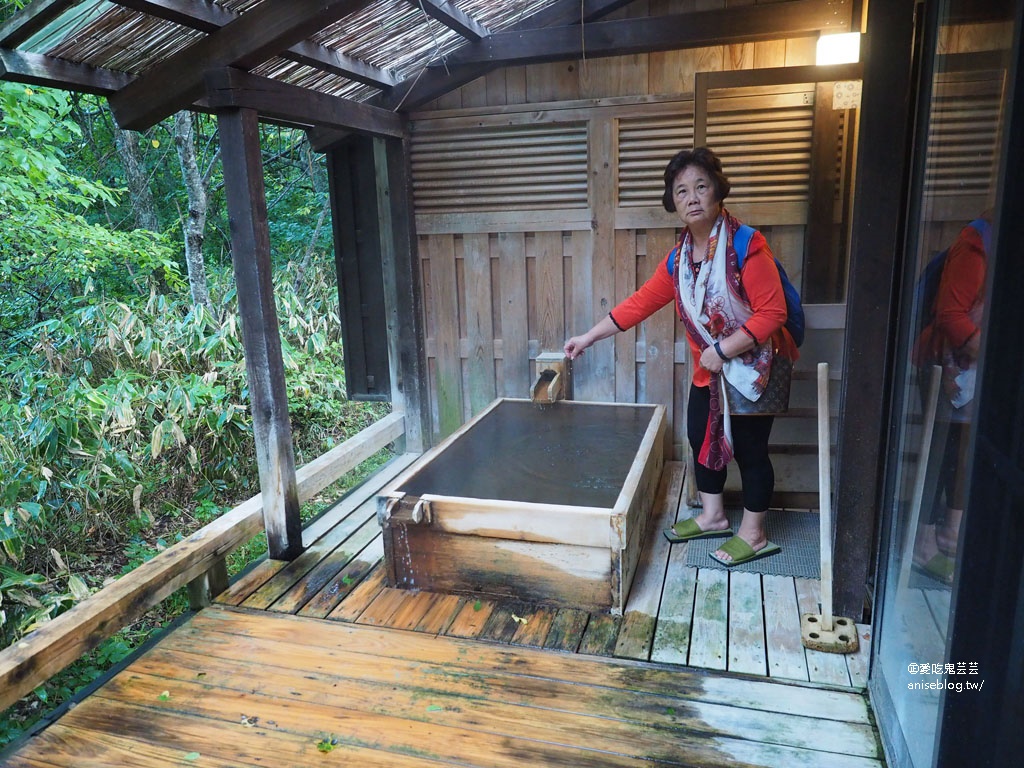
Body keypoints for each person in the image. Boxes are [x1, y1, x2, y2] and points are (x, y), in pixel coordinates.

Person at [564, 147, 798, 566]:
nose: (692, 197)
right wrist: (589, 336)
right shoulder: (677, 261)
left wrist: (722, 350)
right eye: (681, 190)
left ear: (718, 191)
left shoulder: (748, 245)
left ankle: (754, 533)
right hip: (708, 375)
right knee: (700, 438)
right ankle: (712, 517)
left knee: (749, 452)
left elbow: (773, 312)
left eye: (701, 187)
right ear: (673, 201)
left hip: (752, 372)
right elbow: (638, 304)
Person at [910, 212, 990, 584]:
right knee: (938, 453)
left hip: (976, 372)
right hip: (948, 367)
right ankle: (924, 544)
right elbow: (951, 315)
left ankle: (951, 536)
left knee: (965, 452)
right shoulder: (975, 245)